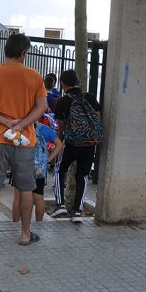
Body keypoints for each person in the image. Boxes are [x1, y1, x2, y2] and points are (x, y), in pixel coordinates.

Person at [0, 33, 47, 246]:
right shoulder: (34, 76)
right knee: (25, 188)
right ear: (24, 53)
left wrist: (6, 123)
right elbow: (41, 106)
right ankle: (25, 234)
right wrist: (21, 124)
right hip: (24, 139)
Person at [50, 69, 102, 222]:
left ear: (63, 84)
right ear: (79, 82)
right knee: (83, 175)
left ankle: (60, 205)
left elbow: (61, 125)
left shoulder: (63, 101)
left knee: (59, 169)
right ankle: (77, 211)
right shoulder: (91, 98)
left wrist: (59, 143)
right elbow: (97, 118)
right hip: (89, 143)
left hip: (71, 143)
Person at [11, 122, 63, 223]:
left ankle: (16, 223)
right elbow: (59, 145)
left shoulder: (19, 128)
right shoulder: (45, 129)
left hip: (21, 166)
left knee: (18, 196)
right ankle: (39, 224)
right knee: (38, 197)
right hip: (39, 168)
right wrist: (47, 160)